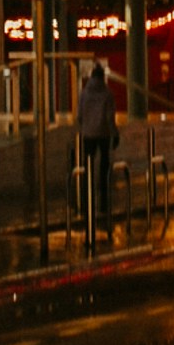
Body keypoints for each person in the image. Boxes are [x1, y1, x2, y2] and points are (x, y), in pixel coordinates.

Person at [75, 57, 117, 238]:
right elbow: (110, 117)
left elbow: (79, 115)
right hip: (103, 134)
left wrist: (83, 127)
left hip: (88, 134)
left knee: (87, 165)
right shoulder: (107, 93)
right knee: (104, 165)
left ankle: (85, 197)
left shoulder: (84, 93)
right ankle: (103, 200)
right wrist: (114, 133)